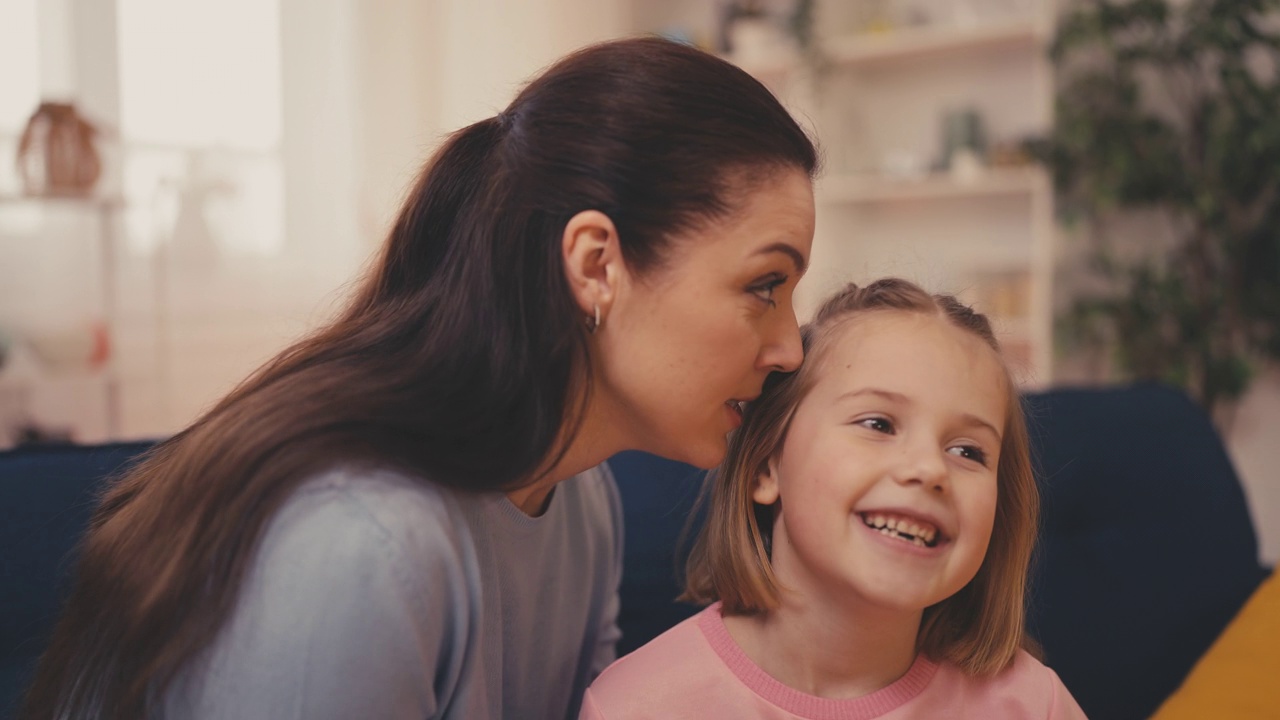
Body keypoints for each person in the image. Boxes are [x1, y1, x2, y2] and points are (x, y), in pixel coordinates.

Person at [19, 37, 818, 720]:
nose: (789, 348)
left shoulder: (582, 503)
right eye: (763, 287)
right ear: (596, 264)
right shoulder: (358, 542)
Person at [581, 278, 1088, 719]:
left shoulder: (1033, 705)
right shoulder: (636, 707)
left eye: (968, 451)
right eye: (878, 424)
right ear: (765, 466)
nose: (930, 469)